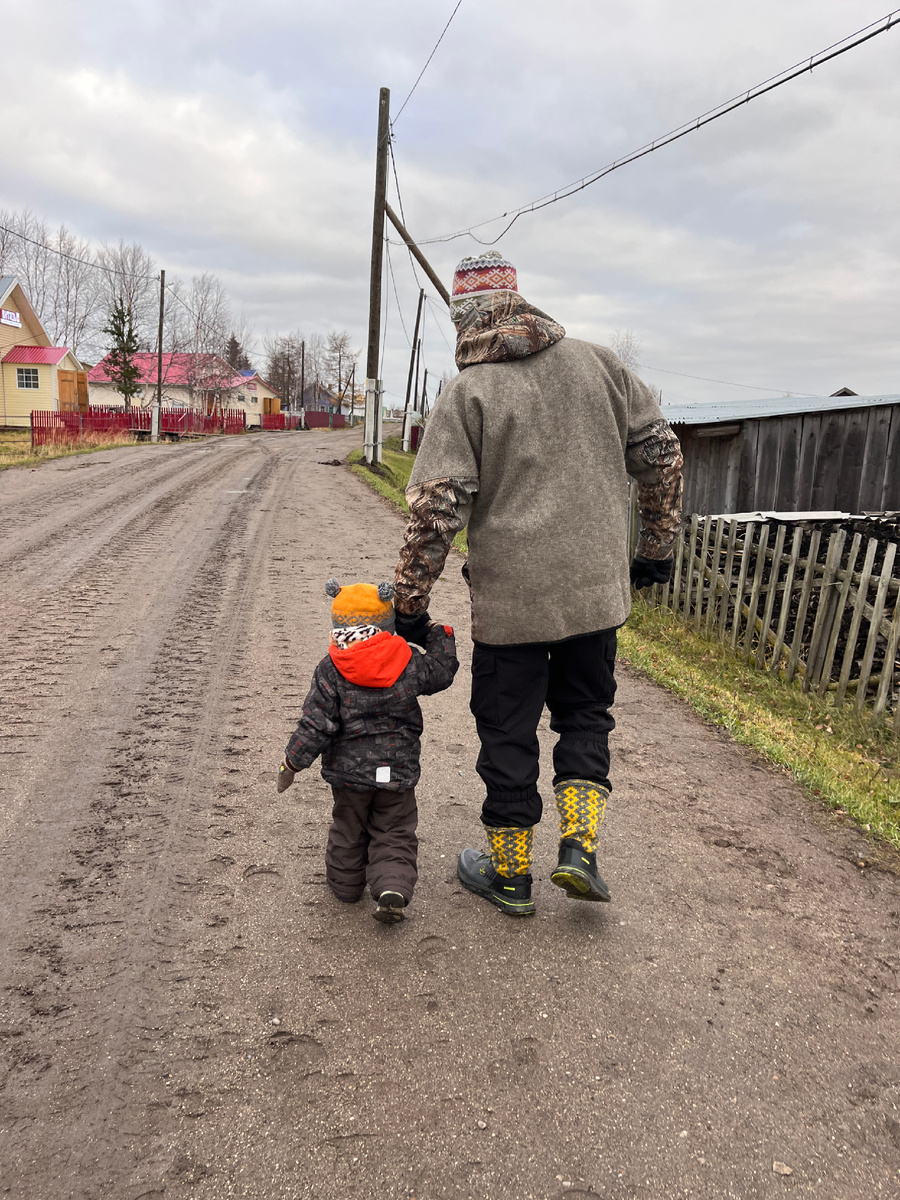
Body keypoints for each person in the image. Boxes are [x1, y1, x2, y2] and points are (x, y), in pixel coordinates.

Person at [392, 250, 683, 917]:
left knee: (508, 731)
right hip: (594, 593)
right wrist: (656, 550)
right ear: (520, 300)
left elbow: (438, 511)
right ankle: (579, 850)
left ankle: (511, 875)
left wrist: (410, 607)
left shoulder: (469, 394)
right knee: (585, 714)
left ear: (463, 316)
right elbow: (664, 457)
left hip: (511, 602)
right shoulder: (601, 364)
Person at [276, 578, 458, 923]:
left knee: (348, 826)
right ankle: (392, 885)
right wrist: (440, 633)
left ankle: (346, 887)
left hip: (349, 776)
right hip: (398, 770)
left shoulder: (330, 669)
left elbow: (316, 724)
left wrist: (292, 762)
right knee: (395, 830)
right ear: (386, 621)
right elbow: (441, 671)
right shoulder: (406, 661)